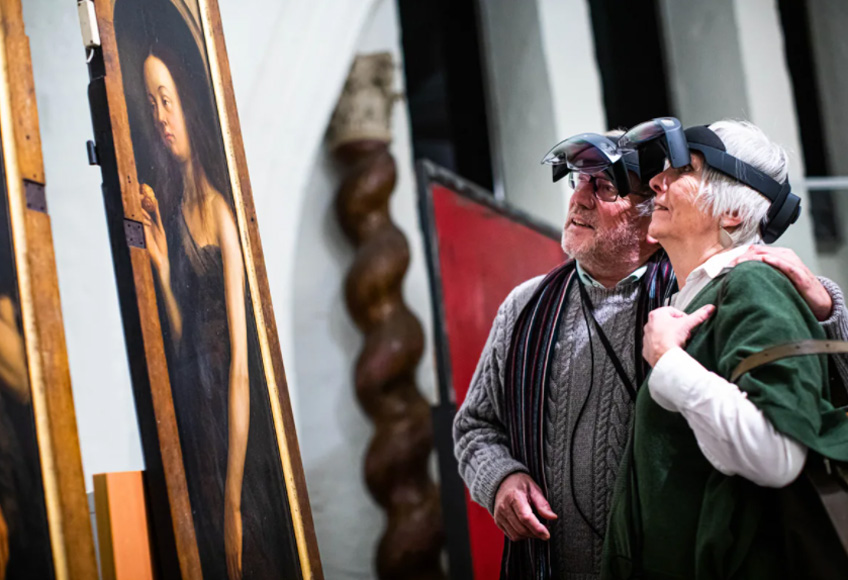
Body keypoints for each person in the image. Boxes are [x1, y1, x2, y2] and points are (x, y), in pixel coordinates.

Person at [453, 129, 848, 579]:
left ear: (649, 215)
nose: (579, 200)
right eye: (577, 182)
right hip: (547, 566)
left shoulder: (699, 293)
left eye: (604, 187)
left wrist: (827, 311)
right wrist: (499, 478)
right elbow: (474, 426)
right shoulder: (525, 306)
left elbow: (806, 410)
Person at [602, 120, 848, 579]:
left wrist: (670, 364)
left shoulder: (752, 284)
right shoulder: (695, 298)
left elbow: (777, 456)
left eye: (683, 169)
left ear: (732, 214)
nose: (657, 180)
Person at [138, 42, 297, 580]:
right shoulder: (178, 208)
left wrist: (232, 499)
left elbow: (240, 367)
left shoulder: (223, 216)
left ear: (188, 101)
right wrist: (161, 265)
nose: (160, 116)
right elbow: (184, 342)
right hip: (198, 419)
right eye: (151, 103)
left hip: (237, 436)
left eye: (167, 99)